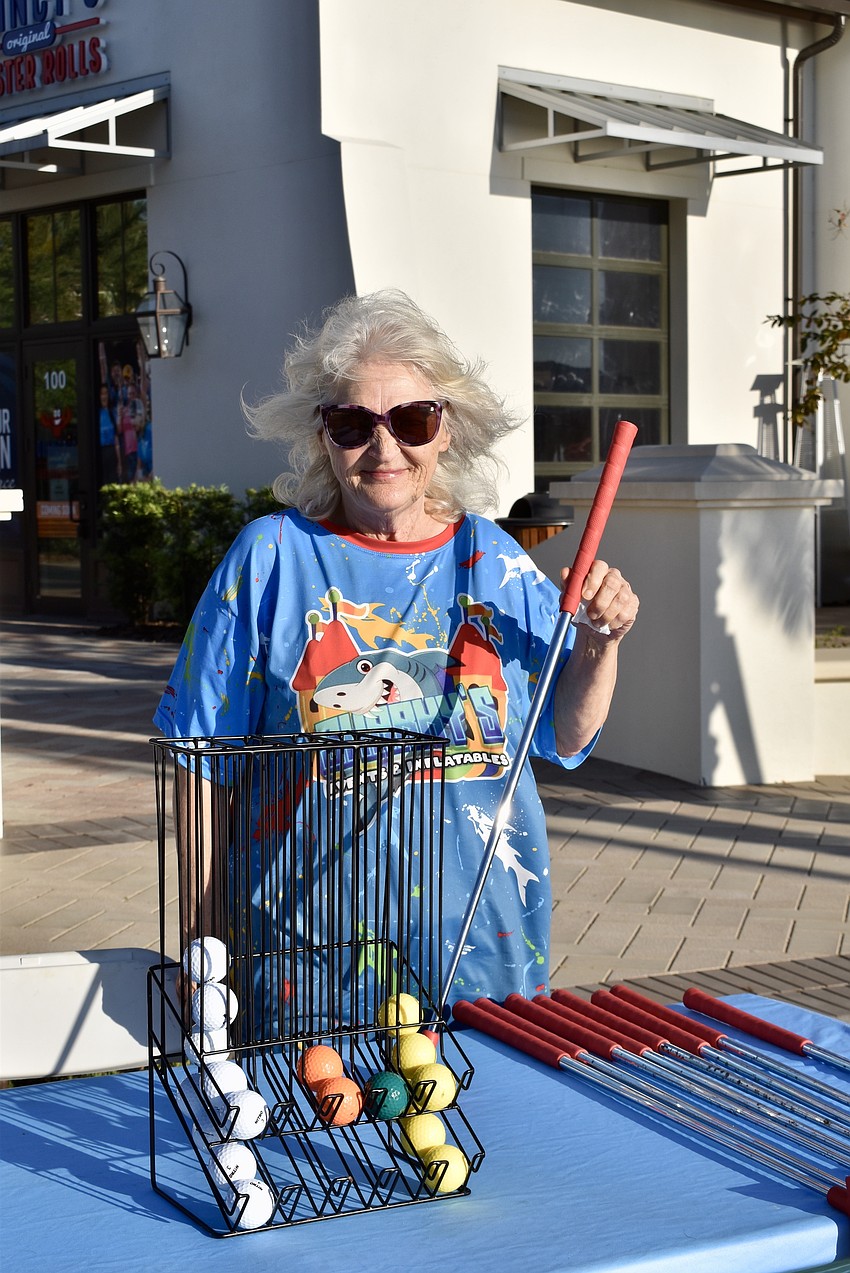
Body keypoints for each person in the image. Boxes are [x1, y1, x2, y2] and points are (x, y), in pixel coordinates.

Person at [154, 289, 638, 1018]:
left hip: (482, 955)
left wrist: (600, 643)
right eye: (353, 424)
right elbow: (200, 761)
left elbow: (566, 735)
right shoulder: (271, 560)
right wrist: (201, 935)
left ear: (447, 430)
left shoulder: (494, 561)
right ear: (322, 436)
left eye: (413, 420)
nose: (384, 449)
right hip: (302, 967)